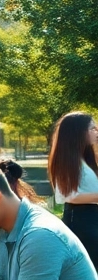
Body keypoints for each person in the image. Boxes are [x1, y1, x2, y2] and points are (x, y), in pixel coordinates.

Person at [48, 111, 98, 269]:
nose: (96, 132)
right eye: (93, 128)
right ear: (78, 132)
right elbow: (70, 195)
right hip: (81, 221)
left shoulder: (84, 159)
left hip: (90, 218)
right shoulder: (68, 160)